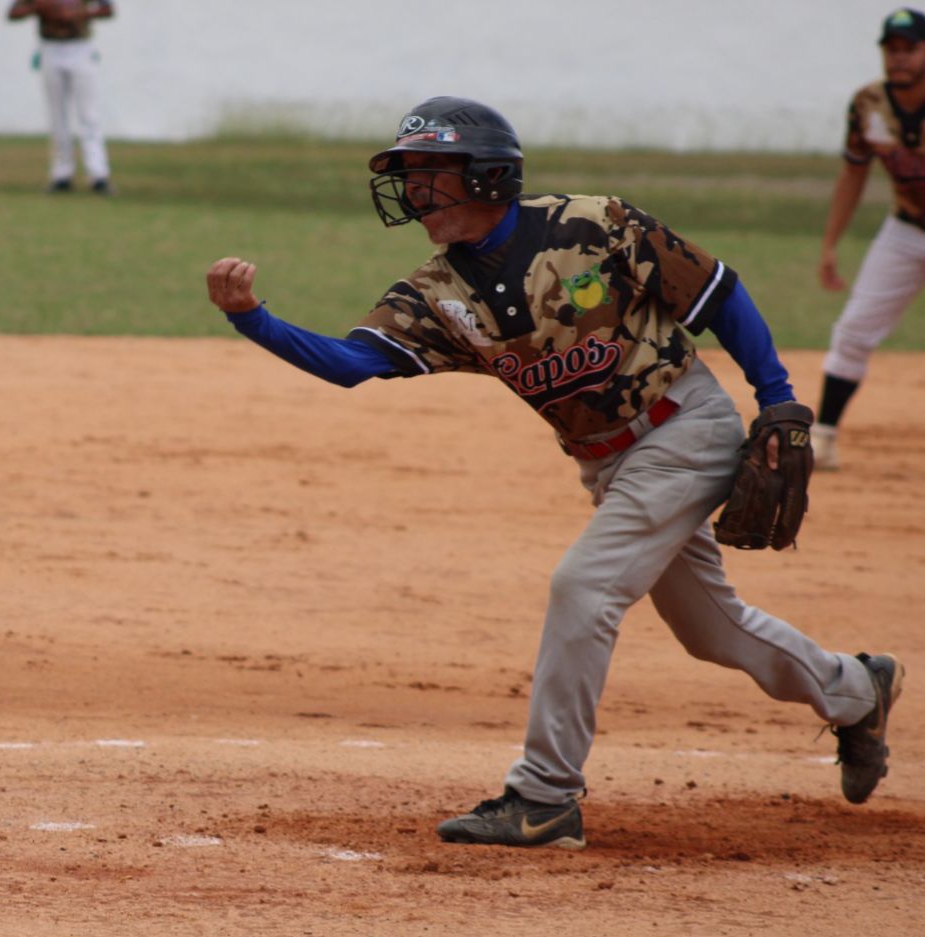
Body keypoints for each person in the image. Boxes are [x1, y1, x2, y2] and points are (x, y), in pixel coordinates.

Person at [206, 97, 904, 849]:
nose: (413, 190)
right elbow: (352, 364)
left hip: (685, 429)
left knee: (583, 586)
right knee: (712, 629)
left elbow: (717, 294)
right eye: (407, 176)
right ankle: (856, 688)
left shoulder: (593, 224)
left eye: (430, 173)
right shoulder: (435, 294)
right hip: (606, 465)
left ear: (487, 175)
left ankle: (543, 797)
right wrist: (253, 318)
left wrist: (777, 399)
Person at [814, 7, 925, 470]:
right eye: (891, 49)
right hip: (904, 227)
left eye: (910, 49)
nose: (898, 58)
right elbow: (852, 175)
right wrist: (830, 244)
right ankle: (823, 437)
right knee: (855, 329)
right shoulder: (867, 104)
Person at [6, 0, 115, 195]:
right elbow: (13, 13)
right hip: (50, 46)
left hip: (80, 47)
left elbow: (108, 9)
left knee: (88, 114)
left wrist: (79, 14)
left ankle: (98, 174)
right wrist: (40, 8)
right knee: (57, 114)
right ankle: (61, 173)